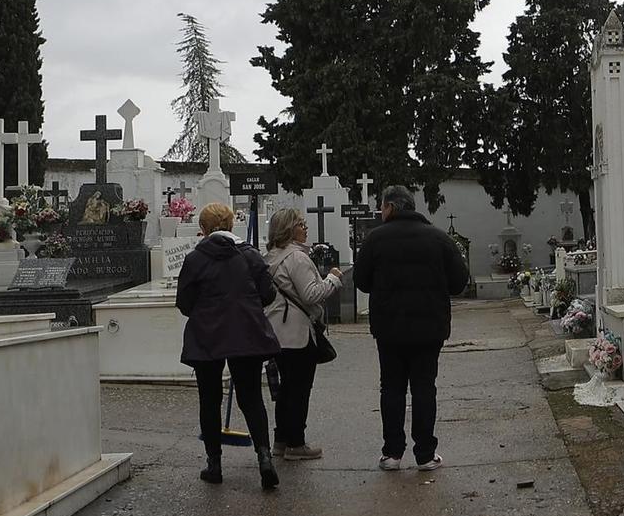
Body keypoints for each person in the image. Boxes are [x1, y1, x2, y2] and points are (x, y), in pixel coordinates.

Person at [353, 184, 470, 471]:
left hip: (389, 328)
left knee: (391, 388)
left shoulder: (375, 239)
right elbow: (458, 282)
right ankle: (426, 454)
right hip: (429, 328)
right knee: (424, 387)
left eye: (382, 207)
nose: (381, 213)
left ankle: (392, 453)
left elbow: (361, 281)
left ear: (391, 207)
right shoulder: (439, 238)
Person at [176, 202, 282, 490]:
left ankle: (214, 464)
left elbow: (184, 303)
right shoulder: (249, 256)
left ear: (204, 229)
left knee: (209, 399)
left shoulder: (195, 260)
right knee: (251, 397)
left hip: (207, 335)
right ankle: (264, 457)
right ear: (231, 225)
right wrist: (245, 308)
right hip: (245, 332)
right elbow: (268, 294)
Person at [262, 206, 343, 460]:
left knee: (286, 390)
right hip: (297, 332)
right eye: (300, 224)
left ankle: (281, 441)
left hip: (277, 331)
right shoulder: (297, 258)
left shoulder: (271, 258)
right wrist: (332, 279)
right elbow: (311, 294)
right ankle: (297, 443)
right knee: (299, 389)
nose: (305, 228)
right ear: (288, 230)